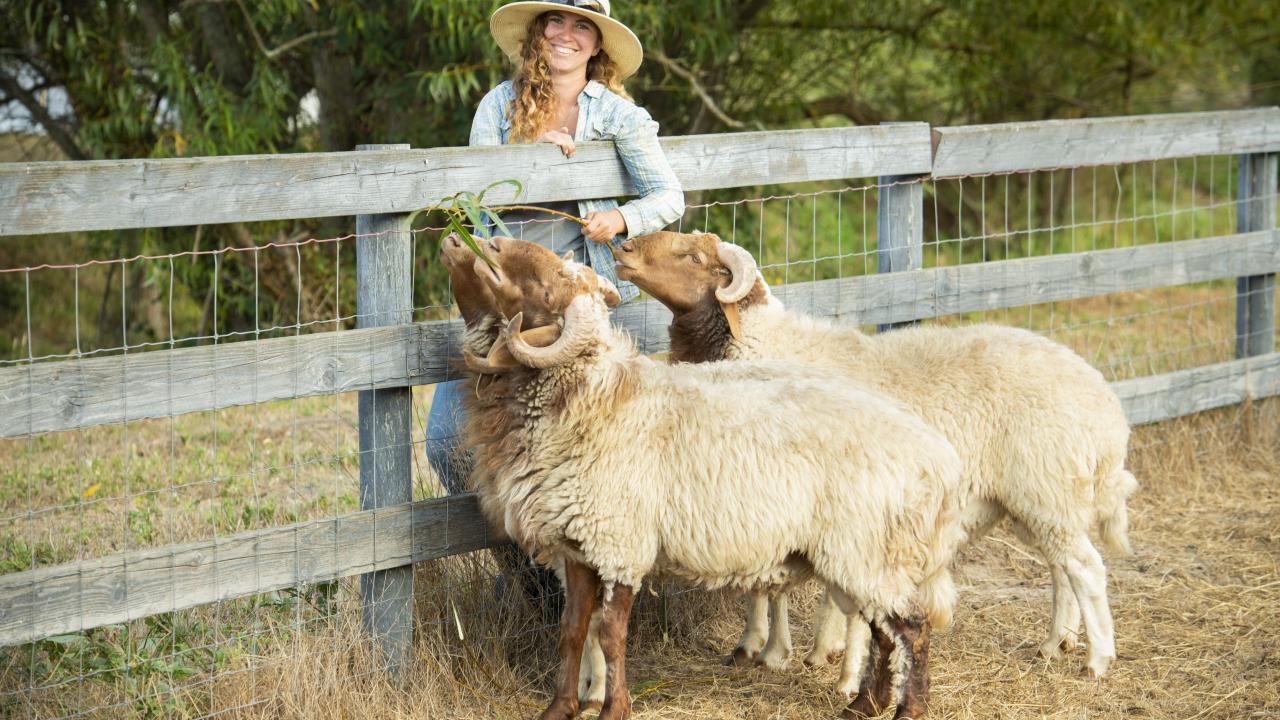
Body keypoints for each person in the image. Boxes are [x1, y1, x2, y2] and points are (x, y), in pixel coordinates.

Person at [426, 0, 684, 495]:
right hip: (500, 293)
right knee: (447, 441)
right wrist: (528, 160)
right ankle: (520, 565)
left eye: (582, 25)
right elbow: (473, 200)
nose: (566, 34)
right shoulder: (498, 105)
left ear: (597, 43)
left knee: (579, 440)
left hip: (569, 302)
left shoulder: (614, 112)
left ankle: (568, 558)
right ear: (537, 34)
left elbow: (669, 195)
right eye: (555, 21)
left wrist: (621, 218)